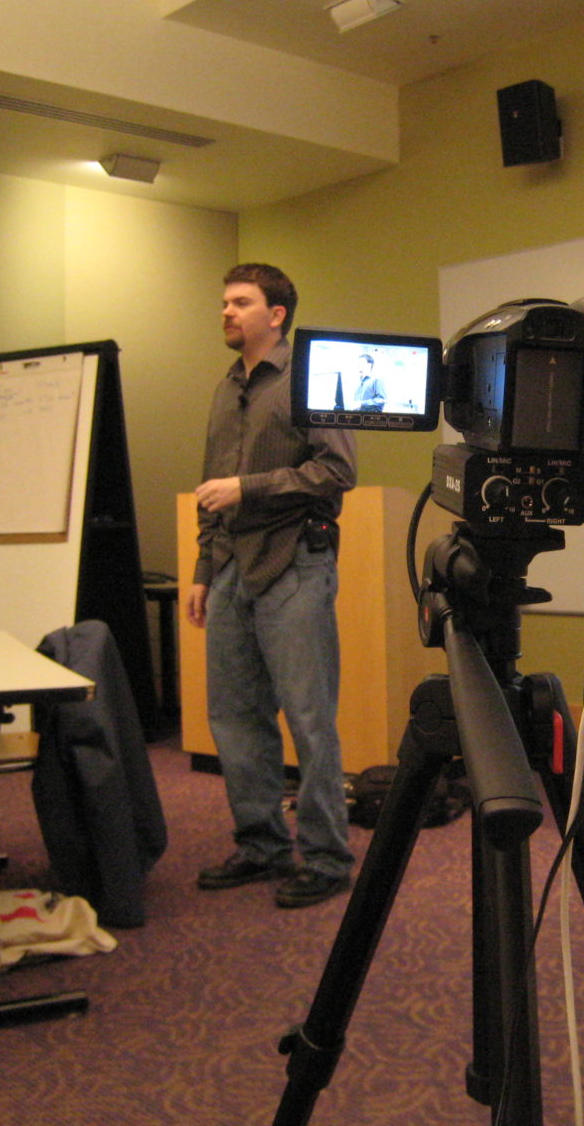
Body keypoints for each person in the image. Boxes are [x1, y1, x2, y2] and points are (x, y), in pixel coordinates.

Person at [187, 262, 357, 908]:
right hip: (231, 570)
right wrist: (204, 570)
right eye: (224, 301)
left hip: (294, 565)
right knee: (234, 717)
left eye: (241, 302)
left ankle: (326, 857)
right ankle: (261, 845)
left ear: (276, 314)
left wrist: (248, 489)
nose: (227, 312)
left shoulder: (310, 377)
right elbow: (212, 487)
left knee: (310, 718)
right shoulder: (225, 388)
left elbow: (337, 470)